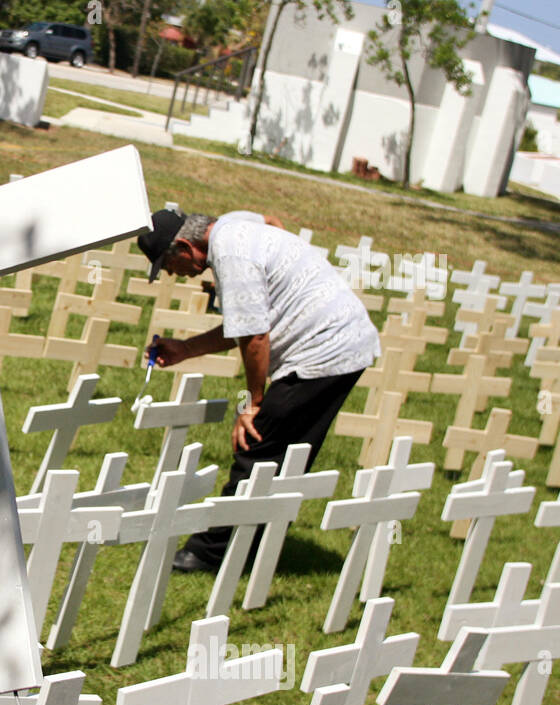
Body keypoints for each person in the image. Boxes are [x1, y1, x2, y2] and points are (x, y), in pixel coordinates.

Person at [136, 209, 380, 573]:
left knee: (258, 442)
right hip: (347, 343)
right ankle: (256, 539)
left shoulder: (232, 256)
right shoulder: (234, 229)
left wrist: (253, 403)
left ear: (186, 247)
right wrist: (187, 349)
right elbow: (246, 317)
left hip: (324, 351)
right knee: (290, 450)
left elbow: (255, 336)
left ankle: (209, 552)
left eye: (169, 265)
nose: (174, 274)